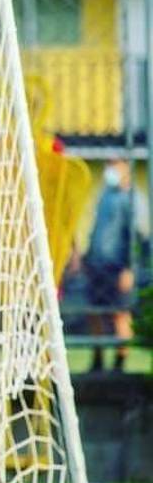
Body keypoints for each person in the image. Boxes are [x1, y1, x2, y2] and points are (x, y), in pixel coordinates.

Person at [82, 159, 140, 373]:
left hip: (117, 267)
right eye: (108, 165)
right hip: (97, 265)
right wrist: (87, 256)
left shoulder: (131, 199)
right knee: (94, 312)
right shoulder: (105, 195)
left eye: (115, 165)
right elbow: (96, 229)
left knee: (119, 314)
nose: (110, 169)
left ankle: (119, 362)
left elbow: (134, 237)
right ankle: (97, 359)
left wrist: (128, 268)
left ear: (126, 168)